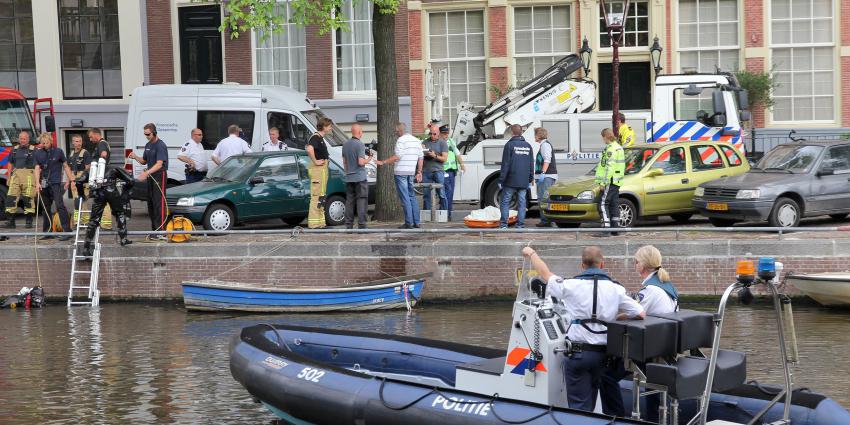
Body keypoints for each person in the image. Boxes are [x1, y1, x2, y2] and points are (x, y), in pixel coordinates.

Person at [521, 245, 645, 412]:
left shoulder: (571, 285)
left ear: (582, 265)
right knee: (595, 402)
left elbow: (546, 274)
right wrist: (615, 318)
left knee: (580, 408)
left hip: (578, 355)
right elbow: (640, 313)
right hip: (603, 356)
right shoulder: (616, 289)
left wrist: (532, 254)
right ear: (602, 264)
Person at [376, 122, 423, 229]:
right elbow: (421, 157)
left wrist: (383, 162)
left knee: (405, 197)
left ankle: (408, 223)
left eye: (396, 131)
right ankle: (417, 222)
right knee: (412, 196)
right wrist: (419, 171)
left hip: (401, 171)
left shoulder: (400, 140)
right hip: (411, 172)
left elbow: (398, 156)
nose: (395, 133)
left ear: (400, 131)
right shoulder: (416, 140)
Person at [81, 163, 134, 257]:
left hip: (98, 194)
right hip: (112, 191)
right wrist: (125, 194)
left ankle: (86, 247)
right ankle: (123, 239)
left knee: (93, 220)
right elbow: (130, 180)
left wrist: (82, 195)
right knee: (120, 213)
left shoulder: (91, 170)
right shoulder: (114, 168)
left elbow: (79, 181)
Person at [128, 123, 169, 240]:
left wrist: (146, 173)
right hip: (151, 177)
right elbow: (144, 161)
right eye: (145, 134)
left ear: (154, 132)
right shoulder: (148, 145)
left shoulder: (160, 145)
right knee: (150, 203)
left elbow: (159, 164)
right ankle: (155, 230)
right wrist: (135, 156)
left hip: (159, 176)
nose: (146, 136)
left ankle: (162, 231)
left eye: (148, 134)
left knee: (159, 203)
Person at [34, 133, 75, 241]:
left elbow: (66, 166)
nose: (45, 145)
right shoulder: (38, 153)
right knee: (45, 208)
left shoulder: (58, 151)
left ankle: (67, 231)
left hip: (55, 182)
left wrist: (71, 180)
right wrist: (37, 183)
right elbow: (37, 168)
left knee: (59, 205)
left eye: (47, 143)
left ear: (51, 141)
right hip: (44, 183)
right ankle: (48, 232)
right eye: (43, 143)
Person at [498, 124, 534, 228]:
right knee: (522, 203)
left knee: (505, 202)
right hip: (523, 181)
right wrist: (530, 179)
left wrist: (501, 180)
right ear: (521, 133)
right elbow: (531, 164)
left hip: (510, 180)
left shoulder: (509, 145)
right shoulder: (528, 146)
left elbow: (505, 164)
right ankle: (520, 225)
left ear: (512, 133)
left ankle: (504, 225)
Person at [4, 131, 36, 229]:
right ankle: (11, 222)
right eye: (20, 138)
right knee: (11, 198)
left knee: (28, 199)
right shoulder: (14, 149)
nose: (22, 140)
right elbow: (10, 163)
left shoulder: (34, 150)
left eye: (24, 138)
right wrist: (9, 177)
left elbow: (38, 165)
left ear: (28, 139)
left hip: (29, 176)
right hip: (16, 176)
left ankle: (29, 222)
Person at [595, 128, 625, 234]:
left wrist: (603, 183)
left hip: (610, 181)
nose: (602, 140)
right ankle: (615, 229)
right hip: (616, 181)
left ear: (605, 137)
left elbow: (609, 167)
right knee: (614, 204)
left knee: (602, 204)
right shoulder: (618, 147)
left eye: (602, 137)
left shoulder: (611, 149)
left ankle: (606, 229)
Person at [633, 245, 679, 314]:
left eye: (637, 262)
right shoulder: (668, 285)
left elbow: (633, 313)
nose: (635, 264)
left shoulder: (650, 290)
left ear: (642, 265)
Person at [342, 124, 370, 229]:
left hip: (349, 177)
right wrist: (369, 159)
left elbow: (344, 163)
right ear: (359, 132)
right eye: (362, 131)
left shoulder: (345, 145)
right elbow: (361, 162)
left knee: (349, 201)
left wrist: (348, 173)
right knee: (361, 200)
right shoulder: (360, 145)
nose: (362, 133)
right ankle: (362, 225)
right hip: (360, 178)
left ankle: (348, 225)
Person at [306, 117, 332, 228]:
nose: (331, 128)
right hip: (318, 170)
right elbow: (309, 149)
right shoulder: (315, 137)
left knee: (321, 196)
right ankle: (313, 223)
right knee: (316, 196)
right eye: (330, 126)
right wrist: (315, 161)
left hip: (322, 170)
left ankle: (320, 222)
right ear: (324, 126)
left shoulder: (320, 138)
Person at [88, 128, 114, 229]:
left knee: (103, 199)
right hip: (102, 175)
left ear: (96, 134)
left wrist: (97, 171)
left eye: (91, 137)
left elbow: (104, 154)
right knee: (102, 199)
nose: (90, 139)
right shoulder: (103, 143)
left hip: (101, 176)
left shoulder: (101, 144)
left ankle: (106, 224)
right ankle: (104, 223)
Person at [533, 127, 558, 228]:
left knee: (543, 199)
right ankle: (546, 219)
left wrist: (543, 173)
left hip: (547, 176)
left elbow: (547, 160)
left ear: (539, 136)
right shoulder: (544, 145)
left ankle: (546, 220)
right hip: (547, 176)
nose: (534, 137)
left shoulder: (545, 145)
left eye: (535, 135)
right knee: (544, 198)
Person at [440, 124, 465, 221]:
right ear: (440, 133)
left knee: (449, 193)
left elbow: (457, 153)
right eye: (444, 133)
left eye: (447, 133)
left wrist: (462, 165)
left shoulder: (450, 141)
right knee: (446, 193)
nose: (446, 135)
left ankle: (447, 213)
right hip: (443, 171)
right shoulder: (439, 142)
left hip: (451, 171)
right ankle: (445, 213)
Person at [421, 125, 448, 213]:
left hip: (438, 171)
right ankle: (427, 215)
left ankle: (443, 214)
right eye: (430, 133)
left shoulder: (442, 143)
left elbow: (444, 159)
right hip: (426, 171)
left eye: (434, 134)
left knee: (441, 193)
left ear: (438, 133)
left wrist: (434, 155)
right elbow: (420, 157)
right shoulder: (425, 142)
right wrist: (424, 152)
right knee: (426, 195)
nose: (432, 135)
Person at [68, 135, 91, 224]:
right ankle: (81, 221)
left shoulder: (85, 153)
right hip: (73, 178)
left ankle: (79, 221)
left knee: (82, 201)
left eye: (80, 141)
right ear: (73, 142)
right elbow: (68, 169)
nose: (78, 143)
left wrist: (83, 180)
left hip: (82, 179)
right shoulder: (71, 153)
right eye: (76, 141)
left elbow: (88, 169)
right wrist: (68, 181)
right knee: (77, 201)